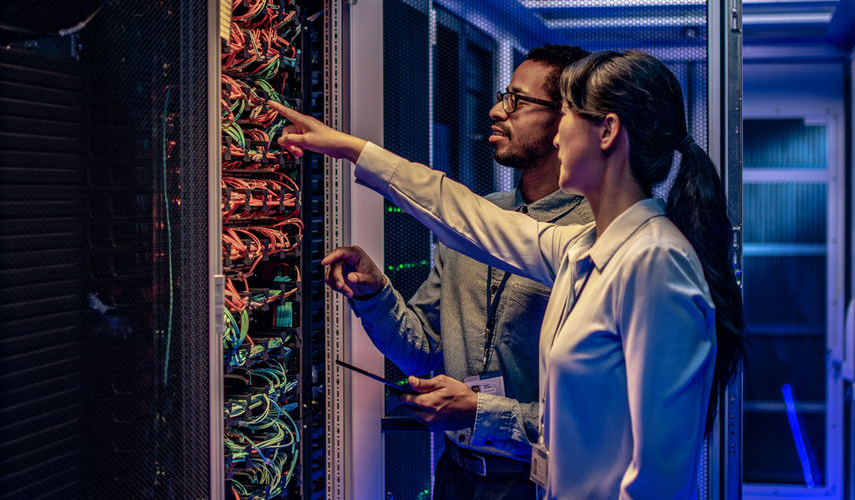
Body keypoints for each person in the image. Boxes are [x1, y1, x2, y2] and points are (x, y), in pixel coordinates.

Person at [272, 49, 744, 499]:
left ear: (607, 131)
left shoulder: (655, 262)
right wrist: (353, 150)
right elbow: (465, 215)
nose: (559, 137)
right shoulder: (583, 248)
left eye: (569, 117)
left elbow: (659, 481)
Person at [319, 45, 592, 500]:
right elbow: (425, 352)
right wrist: (375, 294)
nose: (495, 110)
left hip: (537, 484)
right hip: (456, 476)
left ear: (566, 119)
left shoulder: (589, 240)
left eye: (516, 101)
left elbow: (591, 415)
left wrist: (480, 412)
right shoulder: (478, 221)